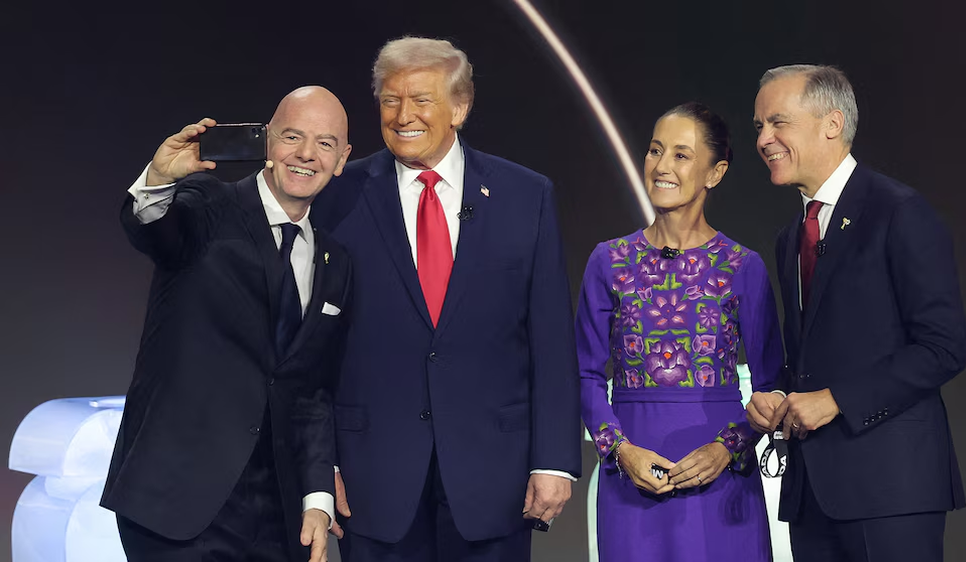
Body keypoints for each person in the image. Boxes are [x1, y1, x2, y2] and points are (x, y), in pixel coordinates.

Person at [309, 37, 581, 562]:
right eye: (390, 100)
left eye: (421, 100)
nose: (403, 115)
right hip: (373, 478)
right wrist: (323, 466)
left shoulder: (526, 196)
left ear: (460, 107)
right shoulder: (340, 195)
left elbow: (549, 339)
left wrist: (553, 461)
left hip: (494, 477)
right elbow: (314, 349)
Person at [102, 86, 354, 562]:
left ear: (342, 159)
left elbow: (312, 389)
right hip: (177, 504)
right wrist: (158, 178)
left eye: (324, 143)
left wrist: (317, 499)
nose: (306, 154)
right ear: (267, 143)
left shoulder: (336, 262)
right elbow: (152, 228)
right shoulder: (206, 205)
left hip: (277, 515)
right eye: (292, 136)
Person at [747, 64, 966, 562]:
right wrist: (779, 394)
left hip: (890, 488)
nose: (764, 139)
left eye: (778, 122)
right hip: (812, 495)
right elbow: (808, 356)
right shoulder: (790, 238)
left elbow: (943, 347)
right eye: (759, 126)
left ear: (831, 123)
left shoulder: (899, 211)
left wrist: (836, 400)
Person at [576, 102, 782, 561]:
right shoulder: (608, 261)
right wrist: (620, 450)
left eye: (681, 155)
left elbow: (772, 388)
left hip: (723, 482)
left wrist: (727, 449)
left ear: (716, 172)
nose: (661, 166)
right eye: (654, 150)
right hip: (632, 477)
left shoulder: (742, 267)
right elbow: (584, 374)